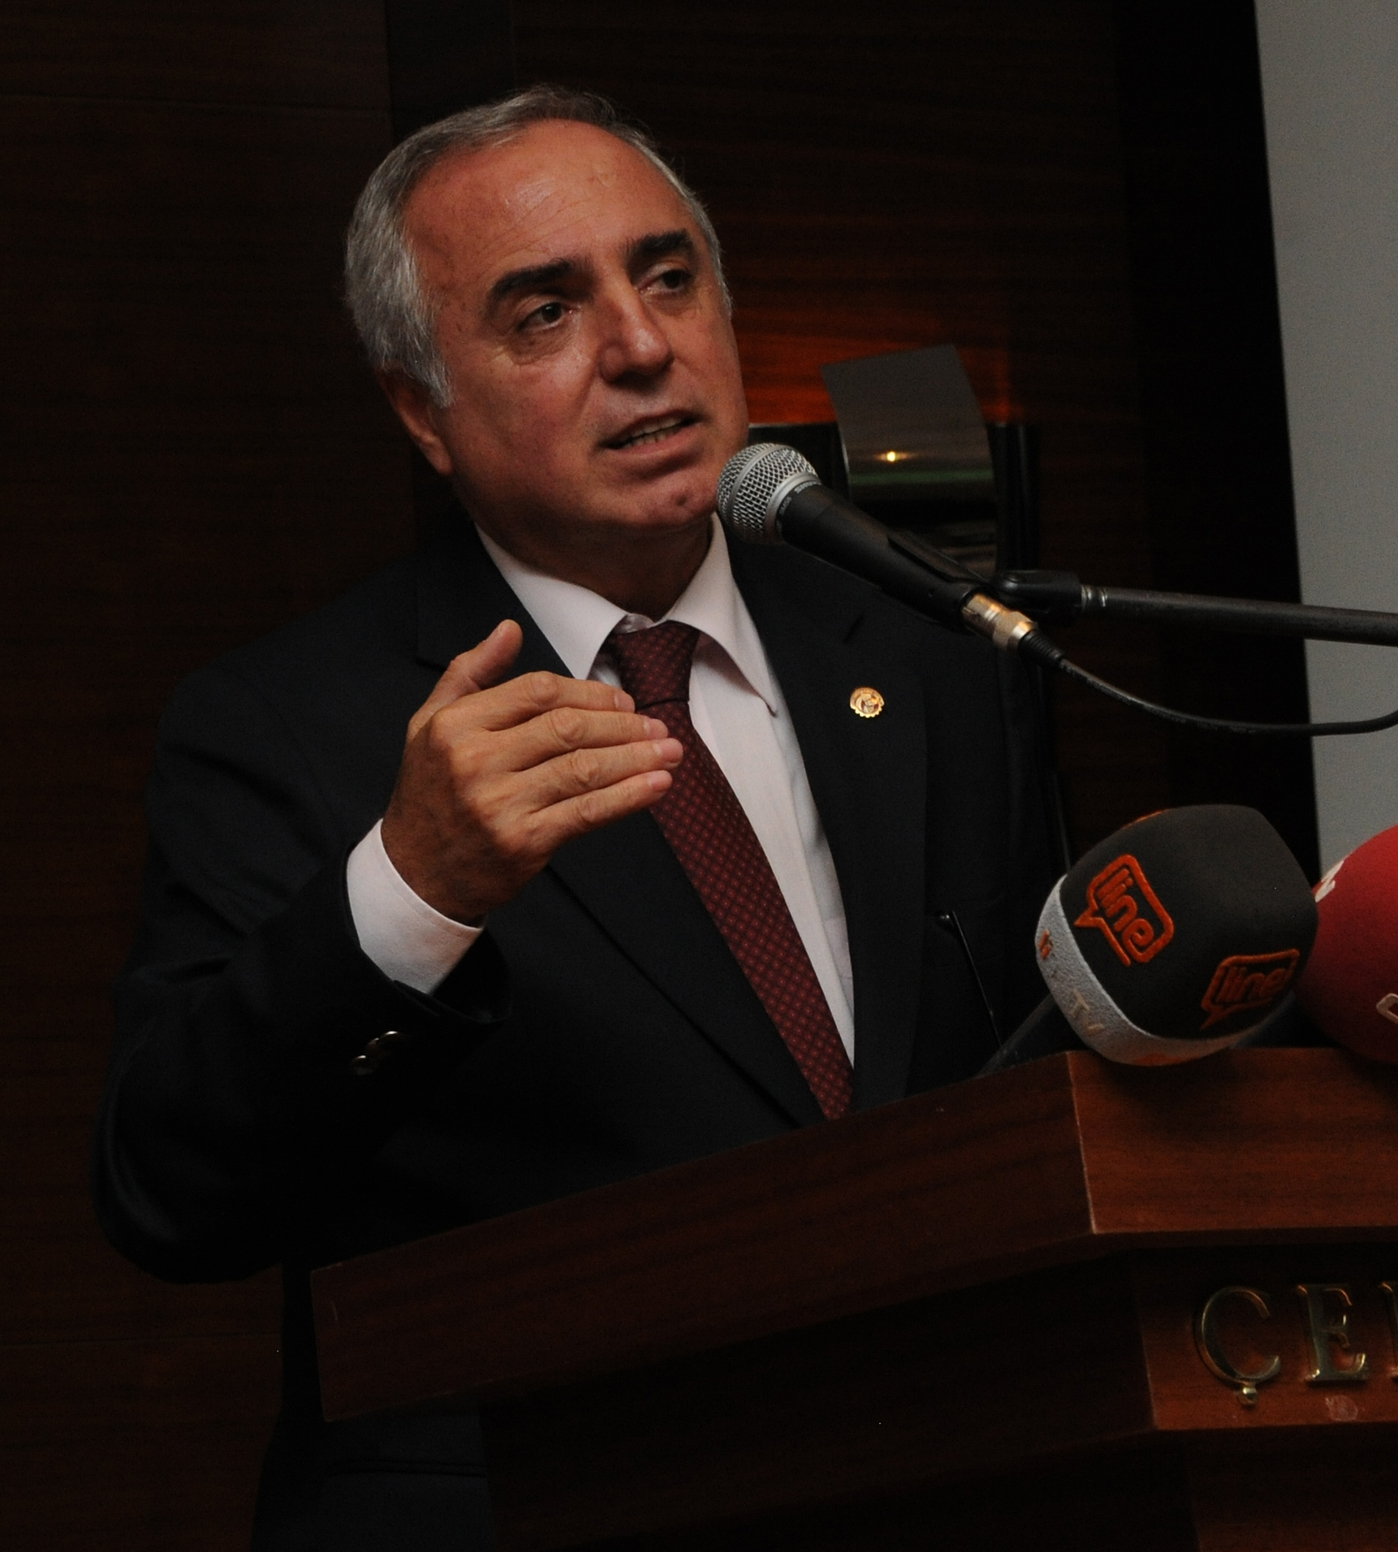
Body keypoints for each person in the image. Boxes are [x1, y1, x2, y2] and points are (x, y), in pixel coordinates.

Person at [92, 86, 1055, 1551]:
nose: (642, 346)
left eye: (668, 278)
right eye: (546, 313)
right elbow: (171, 1197)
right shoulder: (290, 727)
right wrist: (412, 889)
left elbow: (1025, 1082)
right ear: (422, 411)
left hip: (946, 1481)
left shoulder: (933, 657)